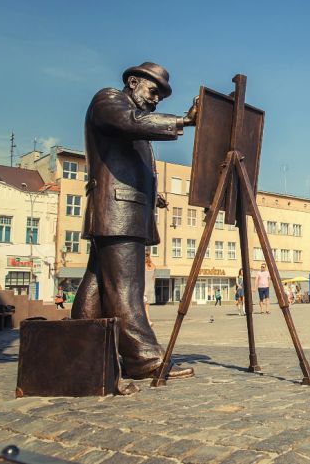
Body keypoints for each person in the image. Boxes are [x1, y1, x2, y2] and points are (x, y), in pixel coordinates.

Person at [71, 62, 198, 381]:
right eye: (153, 91)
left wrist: (153, 195)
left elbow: (125, 158)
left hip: (121, 211)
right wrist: (184, 119)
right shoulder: (110, 100)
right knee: (127, 287)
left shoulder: (133, 120)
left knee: (98, 284)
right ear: (132, 82)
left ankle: (85, 351)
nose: (156, 100)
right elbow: (130, 122)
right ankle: (143, 360)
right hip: (118, 212)